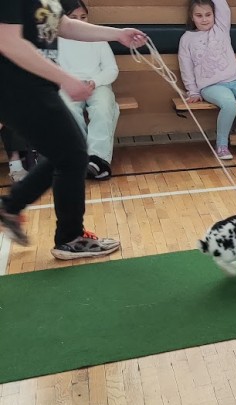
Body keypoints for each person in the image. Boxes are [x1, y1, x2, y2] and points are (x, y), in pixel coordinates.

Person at [0, 0, 146, 258]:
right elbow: (7, 41)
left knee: (67, 154)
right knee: (73, 155)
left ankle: (11, 207)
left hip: (36, 86)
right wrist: (65, 78)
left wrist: (117, 34)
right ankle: (69, 238)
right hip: (17, 87)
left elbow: (63, 24)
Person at [180, 0, 236, 160]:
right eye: (199, 15)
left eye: (208, 15)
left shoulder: (221, 28)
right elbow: (185, 67)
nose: (204, 19)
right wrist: (193, 91)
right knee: (229, 105)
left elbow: (223, 7)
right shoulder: (186, 39)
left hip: (235, 81)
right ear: (192, 17)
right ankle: (221, 145)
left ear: (214, 15)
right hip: (211, 86)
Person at [57, 0, 120, 180]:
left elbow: (111, 69)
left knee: (103, 108)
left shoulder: (98, 38)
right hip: (68, 86)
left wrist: (94, 82)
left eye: (83, 17)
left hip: (98, 85)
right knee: (67, 110)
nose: (80, 21)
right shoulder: (55, 40)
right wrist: (68, 83)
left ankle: (97, 160)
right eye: (73, 17)